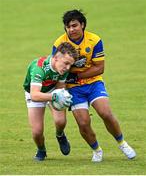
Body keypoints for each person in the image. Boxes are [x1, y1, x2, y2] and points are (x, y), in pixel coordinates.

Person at [52, 9, 136, 162]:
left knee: (105, 113)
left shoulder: (94, 40)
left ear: (82, 25)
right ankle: (97, 150)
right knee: (83, 123)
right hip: (73, 89)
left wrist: (75, 76)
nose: (71, 29)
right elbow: (56, 67)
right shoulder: (59, 43)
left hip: (93, 83)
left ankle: (122, 143)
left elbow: (99, 68)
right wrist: (60, 90)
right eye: (68, 27)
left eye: (74, 25)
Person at [23, 42, 78, 161]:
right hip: (34, 92)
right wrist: (54, 97)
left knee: (61, 121)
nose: (68, 68)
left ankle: (60, 135)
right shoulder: (39, 68)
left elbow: (59, 87)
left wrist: (62, 97)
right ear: (56, 58)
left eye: (70, 64)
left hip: (52, 90)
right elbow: (35, 95)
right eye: (66, 63)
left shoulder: (63, 69)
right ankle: (41, 149)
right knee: (37, 132)